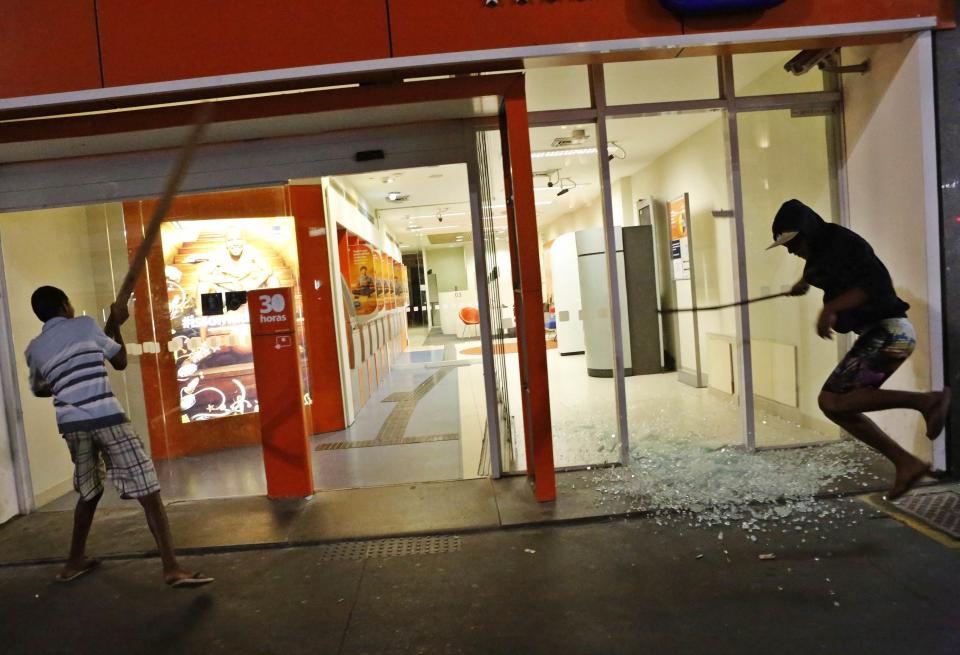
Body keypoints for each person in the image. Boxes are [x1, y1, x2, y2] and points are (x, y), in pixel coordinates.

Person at [26, 286, 214, 587]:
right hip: (107, 417)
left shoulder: (35, 348)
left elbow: (40, 388)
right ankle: (172, 568)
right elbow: (120, 360)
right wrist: (117, 327)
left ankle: (73, 562)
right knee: (148, 491)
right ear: (64, 305)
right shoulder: (84, 326)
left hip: (72, 426)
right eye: (70, 302)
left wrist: (66, 381)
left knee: (89, 491)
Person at [768, 200, 950, 500]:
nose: (790, 250)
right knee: (833, 403)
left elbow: (873, 286)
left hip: (890, 332)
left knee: (836, 400)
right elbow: (821, 270)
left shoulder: (841, 244)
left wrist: (829, 310)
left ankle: (928, 402)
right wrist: (803, 283)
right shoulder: (823, 252)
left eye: (793, 243)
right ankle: (906, 462)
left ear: (808, 233)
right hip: (879, 333)